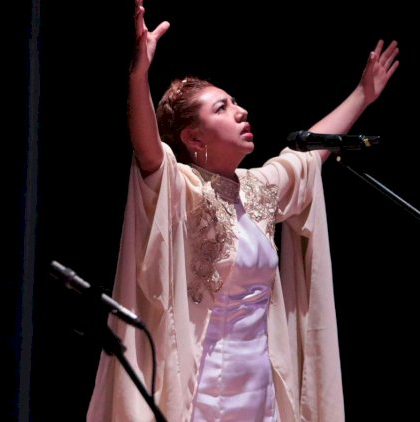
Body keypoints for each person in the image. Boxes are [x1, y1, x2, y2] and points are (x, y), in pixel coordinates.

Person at [86, 1, 399, 421]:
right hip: (204, 394)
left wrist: (363, 95)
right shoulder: (183, 189)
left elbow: (307, 156)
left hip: (261, 393)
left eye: (234, 102)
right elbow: (148, 152)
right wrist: (139, 74)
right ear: (194, 138)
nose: (241, 111)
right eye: (221, 108)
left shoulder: (256, 189)